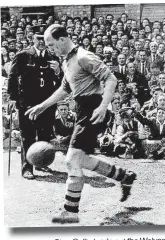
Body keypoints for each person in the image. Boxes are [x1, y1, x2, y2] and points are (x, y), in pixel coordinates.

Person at [24, 24, 137, 223]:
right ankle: (123, 176)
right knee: (81, 160)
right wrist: (42, 106)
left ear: (62, 39)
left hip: (93, 110)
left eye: (51, 44)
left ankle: (70, 212)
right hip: (83, 110)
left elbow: (111, 79)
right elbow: (65, 89)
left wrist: (103, 107)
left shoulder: (84, 56)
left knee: (71, 160)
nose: (50, 49)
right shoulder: (67, 61)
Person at [7, 27, 62, 179]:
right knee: (28, 136)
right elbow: (12, 77)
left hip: (46, 104)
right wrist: (12, 97)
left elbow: (61, 82)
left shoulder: (53, 56)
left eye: (43, 39)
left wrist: (58, 71)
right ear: (32, 39)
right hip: (28, 103)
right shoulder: (23, 55)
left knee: (45, 134)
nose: (41, 42)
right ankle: (27, 167)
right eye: (38, 38)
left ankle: (41, 162)